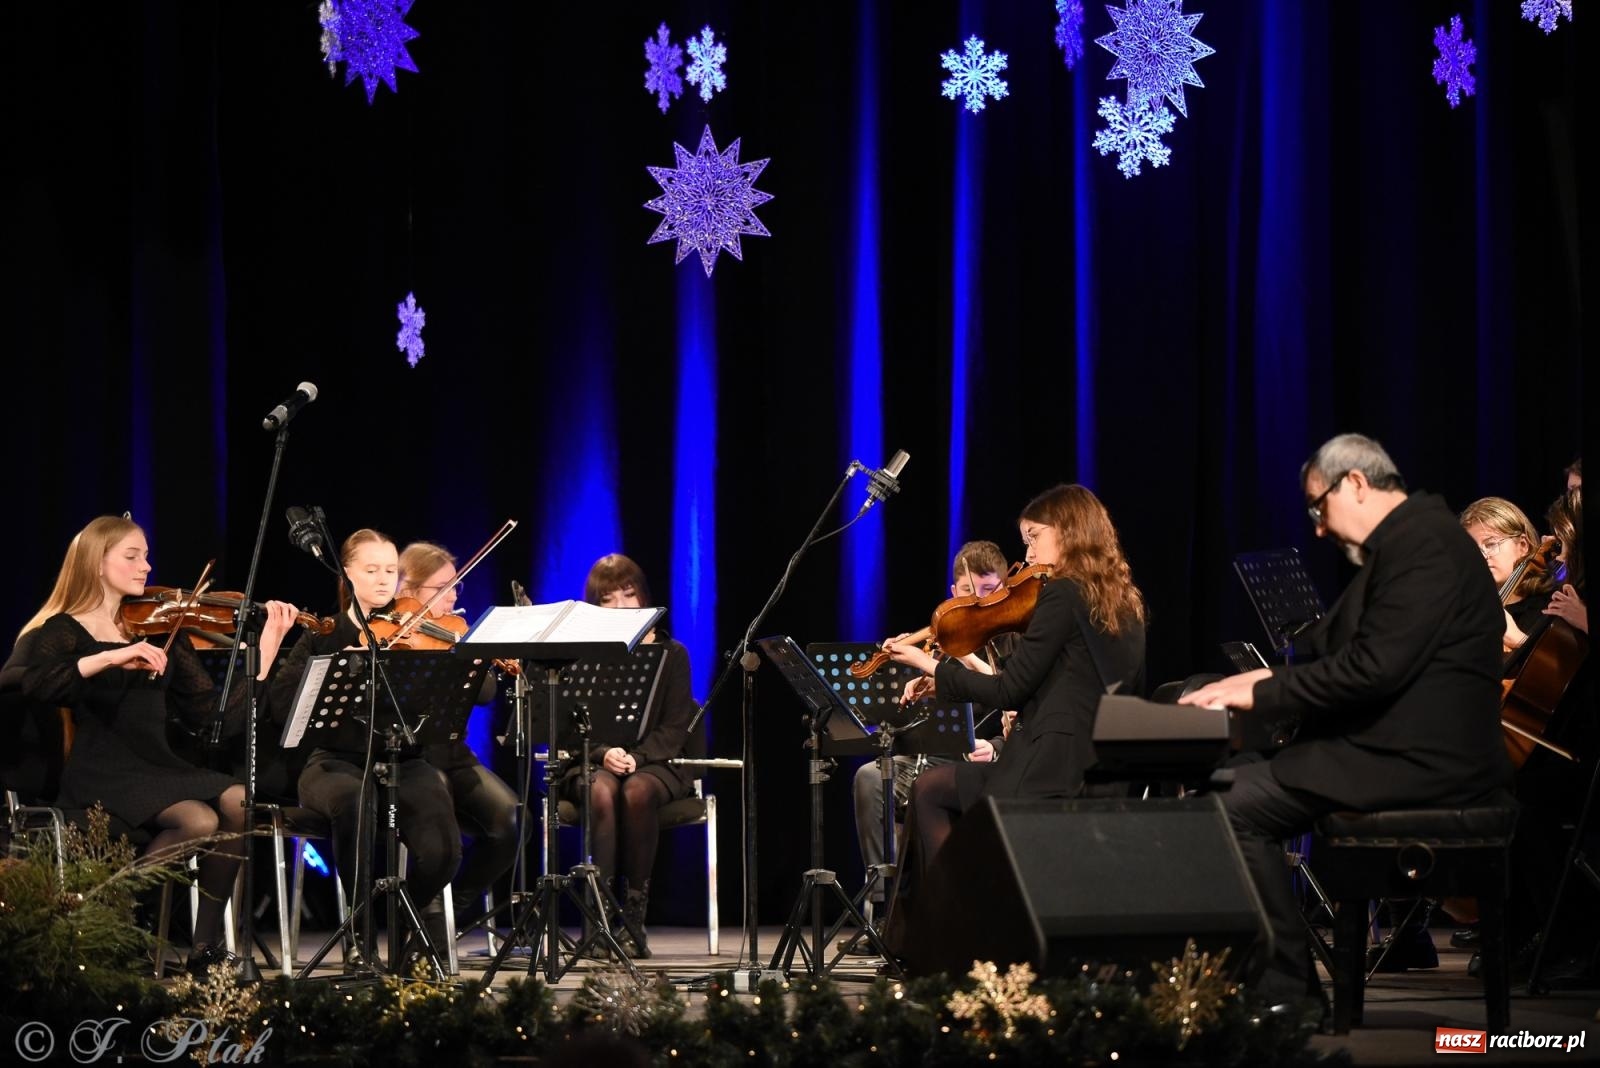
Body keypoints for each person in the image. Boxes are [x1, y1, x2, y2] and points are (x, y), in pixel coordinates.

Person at [1179, 433, 1512, 1006]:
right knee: (1224, 785)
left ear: (1355, 483)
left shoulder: (1425, 545)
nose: (1317, 528)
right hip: (1395, 748)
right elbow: (1351, 655)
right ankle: (1271, 981)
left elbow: (1375, 669)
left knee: (1224, 810)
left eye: (1317, 506)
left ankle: (1286, 992)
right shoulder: (1411, 542)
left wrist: (1263, 687)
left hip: (1423, 762)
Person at [0, 516, 297, 975]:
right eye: (132, 556)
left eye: (146, 555)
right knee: (197, 819)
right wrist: (112, 655)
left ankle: (205, 949)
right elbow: (39, 685)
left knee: (240, 800)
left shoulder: (161, 629)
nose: (147, 566)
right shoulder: (64, 629)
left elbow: (217, 718)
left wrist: (268, 653)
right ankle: (112, 922)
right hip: (103, 768)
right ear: (97, 563)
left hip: (159, 764)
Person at [883, 485, 1146, 950]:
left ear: (1066, 532)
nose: (1027, 552)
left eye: (1033, 537)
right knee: (930, 787)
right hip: (1098, 761)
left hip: (1051, 768)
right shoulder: (1123, 598)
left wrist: (932, 665)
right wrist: (1020, 711)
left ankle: (957, 924)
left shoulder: (1063, 593)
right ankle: (954, 920)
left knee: (930, 793)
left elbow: (1009, 687)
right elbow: (1075, 684)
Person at [267, 528, 462, 971]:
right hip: (333, 762)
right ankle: (359, 938)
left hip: (400, 758)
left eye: (391, 570)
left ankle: (405, 923)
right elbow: (281, 705)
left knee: (443, 847)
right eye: (371, 570)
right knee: (356, 803)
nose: (382, 580)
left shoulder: (416, 631)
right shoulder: (324, 632)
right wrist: (341, 664)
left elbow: (475, 689)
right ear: (347, 573)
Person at [850, 540, 1011, 913]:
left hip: (991, 761)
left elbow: (1015, 697)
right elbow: (910, 718)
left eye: (989, 592)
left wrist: (997, 747)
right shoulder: (942, 641)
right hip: (935, 758)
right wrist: (906, 670)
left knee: (926, 788)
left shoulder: (1015, 641)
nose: (978, 602)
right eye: (969, 592)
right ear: (954, 593)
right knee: (872, 779)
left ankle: (937, 910)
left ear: (1004, 592)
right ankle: (886, 907)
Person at [560, 553, 698, 959]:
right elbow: (566, 723)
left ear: (643, 598)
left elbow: (676, 727)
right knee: (602, 792)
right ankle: (597, 921)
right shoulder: (579, 652)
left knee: (636, 792)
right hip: (589, 759)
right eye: (608, 599)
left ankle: (633, 919)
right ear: (594, 605)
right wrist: (603, 753)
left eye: (628, 594)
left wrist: (637, 757)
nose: (621, 606)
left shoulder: (672, 654)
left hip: (655, 762)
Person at [395, 541, 520, 921]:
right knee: (437, 827)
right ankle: (421, 911)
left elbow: (485, 694)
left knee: (513, 820)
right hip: (409, 759)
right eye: (441, 588)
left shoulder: (456, 633)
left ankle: (457, 908)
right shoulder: (394, 634)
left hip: (452, 755)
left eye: (455, 587)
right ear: (408, 591)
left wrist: (472, 655)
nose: (451, 597)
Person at [1458, 497, 1558, 652]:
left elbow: (1559, 670)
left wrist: (1517, 639)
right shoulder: (1469, 609)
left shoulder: (1552, 604)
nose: (1482, 557)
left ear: (1523, 545)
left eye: (1490, 544)